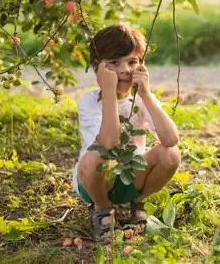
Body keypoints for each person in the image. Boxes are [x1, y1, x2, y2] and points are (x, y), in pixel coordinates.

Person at [72, 24, 181, 242]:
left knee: (171, 154)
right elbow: (109, 144)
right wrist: (110, 92)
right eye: (114, 63)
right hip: (96, 182)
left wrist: (147, 95)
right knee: (96, 157)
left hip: (131, 177)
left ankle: (136, 203)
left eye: (132, 62)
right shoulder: (90, 103)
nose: (125, 70)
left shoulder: (140, 100)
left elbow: (170, 139)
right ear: (97, 69)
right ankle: (103, 209)